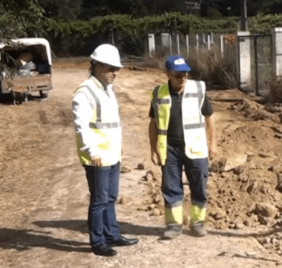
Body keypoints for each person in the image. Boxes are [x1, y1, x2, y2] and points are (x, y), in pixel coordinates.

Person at [72, 43, 138, 257]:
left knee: (110, 197)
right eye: (111, 68)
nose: (115, 73)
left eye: (116, 69)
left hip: (112, 153)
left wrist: (120, 146)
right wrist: (91, 150)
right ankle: (97, 241)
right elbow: (81, 125)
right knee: (99, 200)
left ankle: (112, 235)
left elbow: (112, 123)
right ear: (97, 66)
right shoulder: (85, 92)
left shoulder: (108, 90)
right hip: (97, 156)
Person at [148, 55, 217, 239]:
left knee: (199, 187)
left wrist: (213, 143)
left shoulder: (198, 89)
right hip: (169, 149)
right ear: (167, 74)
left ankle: (198, 223)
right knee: (171, 189)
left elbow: (209, 117)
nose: (183, 78)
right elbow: (153, 123)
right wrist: (153, 149)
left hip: (196, 147)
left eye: (185, 73)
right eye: (178, 75)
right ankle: (174, 225)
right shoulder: (158, 93)